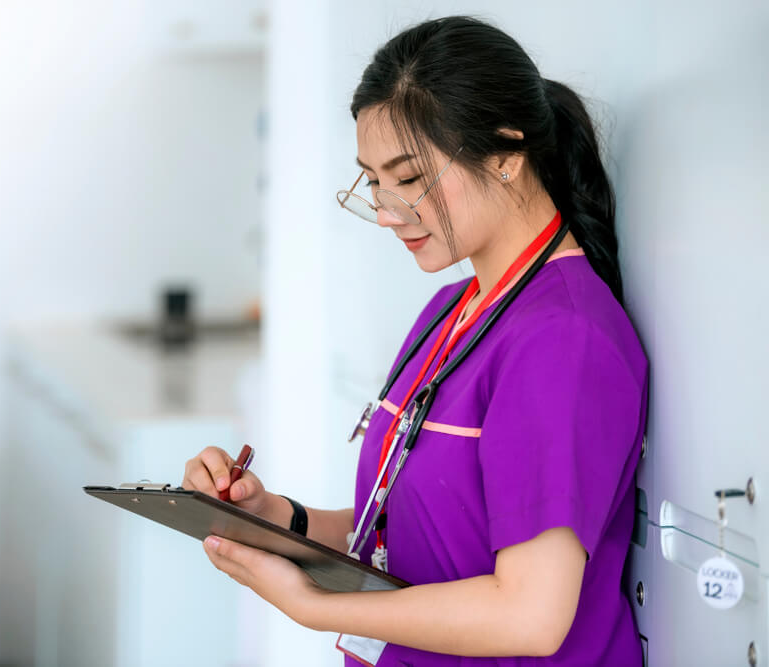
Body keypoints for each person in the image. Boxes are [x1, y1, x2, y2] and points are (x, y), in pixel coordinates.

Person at [182, 15, 647, 666]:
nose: (386, 210)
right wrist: (276, 517)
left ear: (508, 153)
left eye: (410, 177)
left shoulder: (560, 339)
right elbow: (413, 529)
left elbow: (530, 614)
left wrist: (315, 606)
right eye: (373, 180)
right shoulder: (450, 310)